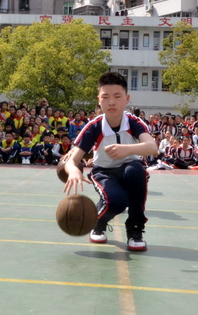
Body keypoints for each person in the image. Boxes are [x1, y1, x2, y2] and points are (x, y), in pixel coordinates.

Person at [63, 72, 157, 250]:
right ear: (99, 100)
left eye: (117, 96)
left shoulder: (134, 122)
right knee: (117, 202)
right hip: (104, 172)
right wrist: (74, 170)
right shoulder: (94, 126)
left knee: (136, 171)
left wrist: (127, 149)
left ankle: (135, 229)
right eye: (105, 97)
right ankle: (98, 223)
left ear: (127, 99)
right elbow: (71, 161)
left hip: (130, 169)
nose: (111, 102)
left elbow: (152, 147)